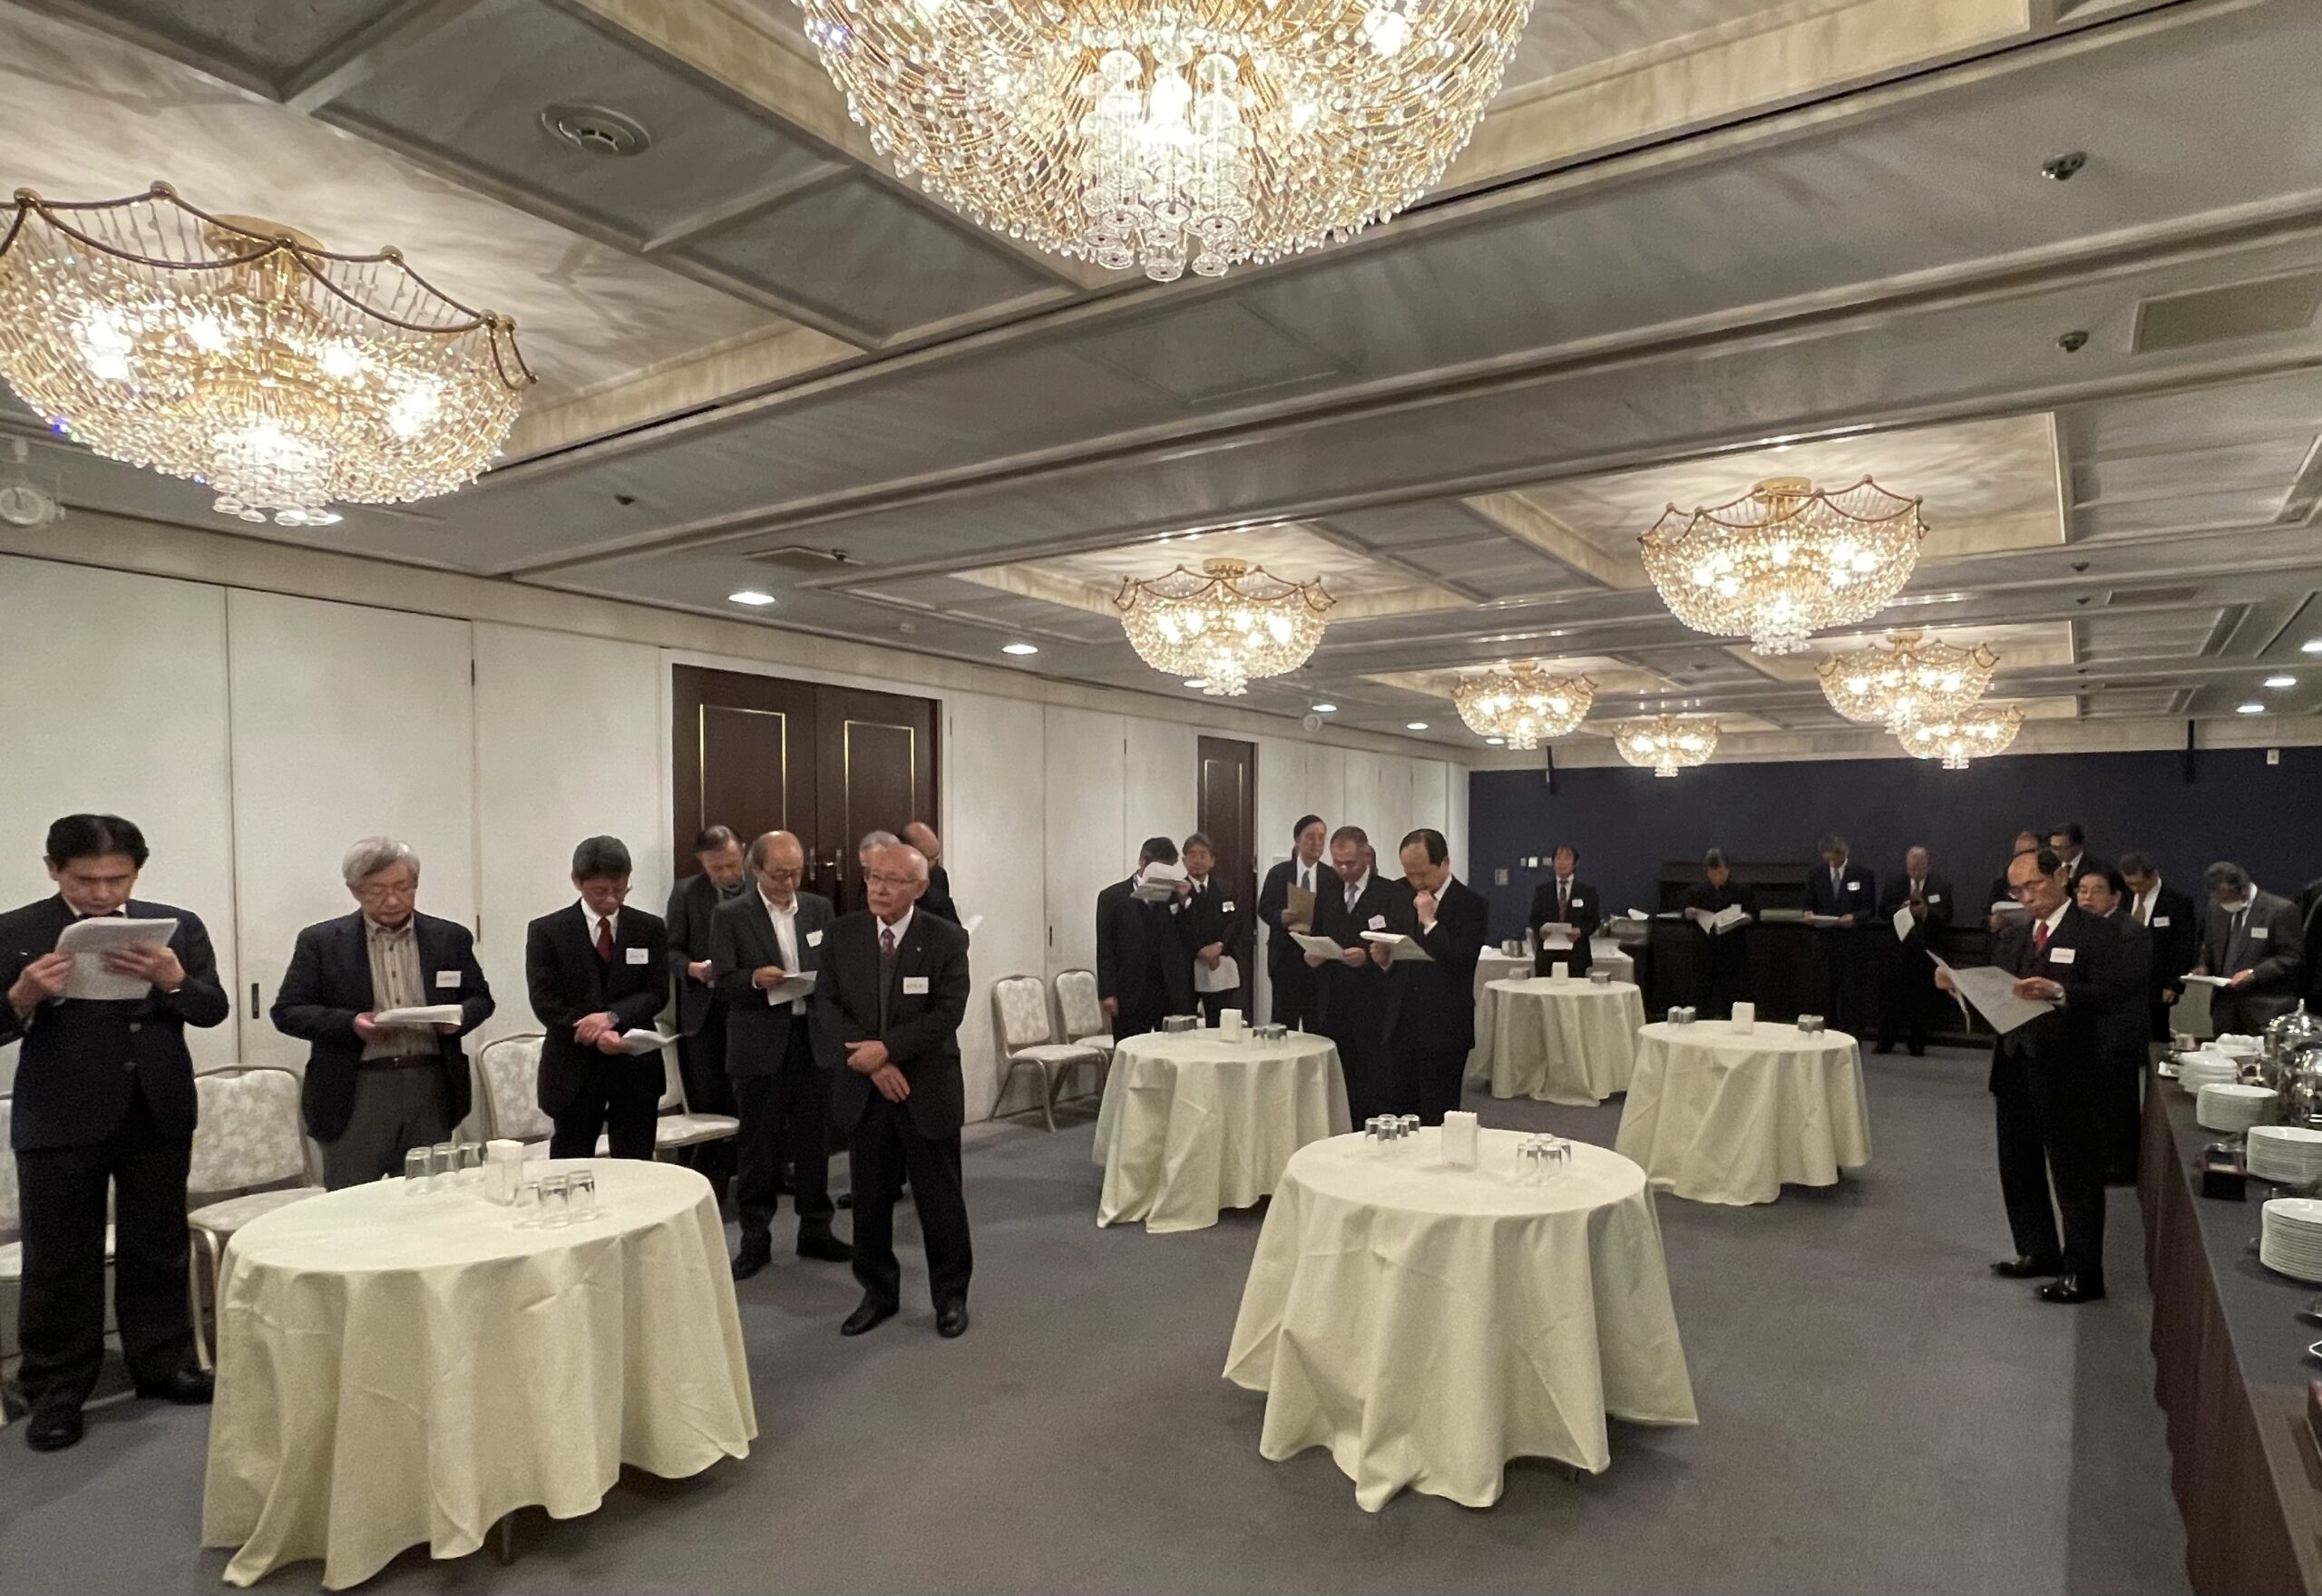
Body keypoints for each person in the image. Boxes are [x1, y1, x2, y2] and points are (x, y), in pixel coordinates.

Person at [2, 814, 227, 1451]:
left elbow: (212, 1009)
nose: (102, 893)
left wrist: (173, 980)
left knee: (158, 1243)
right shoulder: (15, 930)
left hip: (154, 1105)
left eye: (117, 879)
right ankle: (56, 1388)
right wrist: (21, 996)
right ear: (53, 870)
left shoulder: (174, 925)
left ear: (136, 872)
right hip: (59, 1115)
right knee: (60, 1258)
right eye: (85, 880)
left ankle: (163, 1362)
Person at [1937, 846, 2132, 1305]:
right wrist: (1958, 986)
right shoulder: (2018, 936)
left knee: (2073, 1172)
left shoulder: (2097, 932)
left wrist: (2060, 992)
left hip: (2070, 1069)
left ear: (2061, 876)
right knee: (2018, 1165)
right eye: (2017, 890)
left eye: (2033, 886)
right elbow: (1997, 990)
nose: (2025, 898)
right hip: (2015, 1063)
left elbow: (2115, 993)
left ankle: (2084, 1272)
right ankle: (2037, 1250)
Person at [814, 842, 973, 1338]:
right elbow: (827, 1004)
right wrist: (873, 1063)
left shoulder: (947, 938)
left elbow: (947, 1012)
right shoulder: (842, 934)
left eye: (893, 880)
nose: (879, 889)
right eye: (873, 877)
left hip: (926, 1086)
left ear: (919, 888)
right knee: (869, 1199)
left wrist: (886, 1050)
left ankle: (950, 1296)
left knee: (939, 1201)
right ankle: (877, 1292)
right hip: (866, 1086)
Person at [271, 837, 494, 1189]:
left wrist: (459, 1019)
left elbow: (480, 999)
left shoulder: (449, 937)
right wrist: (350, 1024)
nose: (392, 900)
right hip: (357, 1088)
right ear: (355, 890)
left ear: (416, 884)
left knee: (430, 1198)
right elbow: (288, 1011)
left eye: (403, 887)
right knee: (354, 1203)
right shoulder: (322, 942)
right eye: (377, 890)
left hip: (430, 1084)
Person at [711, 831, 850, 1278]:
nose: (789, 883)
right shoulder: (730, 915)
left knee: (815, 1140)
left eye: (796, 873)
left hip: (812, 1038)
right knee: (758, 1145)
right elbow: (723, 981)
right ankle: (755, 1239)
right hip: (759, 1041)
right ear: (755, 870)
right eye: (778, 875)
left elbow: (833, 967)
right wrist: (755, 979)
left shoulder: (818, 908)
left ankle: (816, 1229)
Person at [525, 836, 669, 1160]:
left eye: (620, 889)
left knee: (636, 1165)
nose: (611, 899)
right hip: (574, 1069)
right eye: (600, 891)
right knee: (571, 1164)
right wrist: (594, 1032)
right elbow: (545, 1000)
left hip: (634, 1068)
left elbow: (657, 992)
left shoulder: (648, 928)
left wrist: (612, 1018)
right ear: (578, 882)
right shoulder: (548, 931)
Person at [1374, 829, 1488, 1123]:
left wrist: (1429, 922)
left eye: (1423, 873)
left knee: (1438, 1113)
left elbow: (1461, 959)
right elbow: (1397, 949)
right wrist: (1384, 959)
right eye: (1409, 873)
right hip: (1402, 1023)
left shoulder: (1471, 904)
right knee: (1401, 1111)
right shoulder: (1399, 893)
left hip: (1445, 1026)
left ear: (1444, 863)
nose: (1416, 882)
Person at [664, 824, 748, 1192]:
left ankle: (764, 1172)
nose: (727, 873)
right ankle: (713, 1181)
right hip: (706, 1009)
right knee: (711, 1096)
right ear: (702, 862)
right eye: (717, 868)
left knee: (755, 1095)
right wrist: (691, 968)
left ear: (742, 850)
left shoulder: (759, 887)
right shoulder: (686, 893)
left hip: (751, 1006)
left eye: (732, 864)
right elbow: (670, 949)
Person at [1308, 824, 1401, 1124]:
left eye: (1350, 863)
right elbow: (1317, 933)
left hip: (1373, 999)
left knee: (1372, 1076)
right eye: (1337, 863)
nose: (1344, 869)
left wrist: (1367, 957)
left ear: (1367, 856)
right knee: (1337, 1074)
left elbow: (1398, 945)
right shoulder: (1328, 889)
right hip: (1332, 997)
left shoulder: (1389, 893)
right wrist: (1313, 953)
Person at [2074, 864, 2151, 1183]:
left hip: (2118, 1028)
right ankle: (2095, 1158)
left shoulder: (2130, 932)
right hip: (2088, 1026)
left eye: (2096, 891)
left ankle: (2122, 1166)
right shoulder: (2080, 927)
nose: (2087, 897)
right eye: (2082, 890)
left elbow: (2123, 985)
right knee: (2091, 1098)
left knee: (2116, 1100)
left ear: (2116, 897)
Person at [2191, 861, 2306, 1036]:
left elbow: (2291, 956)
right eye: (2217, 898)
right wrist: (2204, 966)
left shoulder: (2280, 910)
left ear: (2244, 889)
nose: (2222, 903)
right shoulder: (2215, 908)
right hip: (2225, 1009)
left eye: (2226, 898)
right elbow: (2210, 945)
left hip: (2264, 1007)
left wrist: (2254, 973)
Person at [1095, 836, 1193, 1039]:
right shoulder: (1112, 897)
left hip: (1167, 989)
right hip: (1130, 989)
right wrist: (1108, 992)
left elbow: (1188, 936)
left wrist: (1184, 901)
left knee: (1170, 1050)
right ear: (1142, 861)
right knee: (1129, 1046)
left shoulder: (1176, 895)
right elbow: (1105, 949)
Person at [1875, 845, 1954, 1056]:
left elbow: (1947, 915)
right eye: (1911, 867)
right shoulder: (1894, 883)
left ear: (1928, 864)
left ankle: (1917, 1043)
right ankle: (1885, 1041)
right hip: (1897, 951)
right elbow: (1882, 911)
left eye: (1919, 867)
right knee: (1891, 998)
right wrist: (1903, 909)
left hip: (1925, 951)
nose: (1915, 871)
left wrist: (1926, 912)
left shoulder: (1941, 885)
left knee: (1920, 999)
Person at [1257, 814, 1329, 1029]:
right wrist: (1280, 916)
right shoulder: (1279, 873)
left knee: (1316, 1024)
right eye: (1311, 836)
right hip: (1285, 956)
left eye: (1321, 837)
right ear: (1298, 840)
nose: (1317, 842)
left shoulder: (1330, 877)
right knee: (1283, 1022)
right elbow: (1264, 908)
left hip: (1317, 958)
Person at [2120, 852, 2198, 1043]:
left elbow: (2184, 946)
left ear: (2154, 875)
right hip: (2124, 981)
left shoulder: (2177, 901)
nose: (2135, 889)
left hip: (2158, 982)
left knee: (2155, 1033)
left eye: (2139, 884)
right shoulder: (2123, 897)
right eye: (2130, 884)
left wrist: (2174, 984)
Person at [1803, 833, 1876, 1031]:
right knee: (1825, 993)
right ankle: (1827, 1033)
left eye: (1836, 858)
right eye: (1828, 859)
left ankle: (1853, 1034)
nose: (1832, 863)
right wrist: (1809, 914)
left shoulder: (1862, 874)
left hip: (1852, 944)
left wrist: (1855, 918)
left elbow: (1870, 910)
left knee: (1851, 995)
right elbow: (1808, 904)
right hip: (1825, 944)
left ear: (1844, 853)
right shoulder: (1816, 874)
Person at [1180, 831, 1248, 1024]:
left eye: (1203, 855)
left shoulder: (1226, 889)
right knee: (1186, 1022)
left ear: (1212, 861)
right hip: (1187, 965)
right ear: (1184, 861)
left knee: (1219, 1022)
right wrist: (1200, 950)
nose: (1197, 860)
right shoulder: (1177, 891)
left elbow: (1235, 922)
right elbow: (1178, 927)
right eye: (1192, 855)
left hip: (1220, 961)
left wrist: (1219, 946)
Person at [1682, 849, 1757, 1016]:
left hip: (1732, 952)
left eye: (1721, 872)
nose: (1717, 877)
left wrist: (1745, 917)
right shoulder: (1696, 892)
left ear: (1728, 870)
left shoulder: (1741, 891)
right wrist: (1689, 914)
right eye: (1713, 873)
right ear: (1707, 872)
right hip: (1705, 951)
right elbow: (1685, 916)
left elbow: (1754, 915)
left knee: (1732, 999)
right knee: (1701, 998)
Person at [1526, 844, 1598, 978]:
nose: (1562, 862)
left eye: (1567, 858)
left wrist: (1580, 930)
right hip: (1547, 954)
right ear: (1553, 863)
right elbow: (1534, 919)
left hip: (1576, 954)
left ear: (1575, 863)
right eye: (1558, 858)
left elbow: (1594, 921)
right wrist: (1540, 930)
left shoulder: (1587, 892)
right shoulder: (1542, 891)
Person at [901, 822, 961, 927]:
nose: (932, 864)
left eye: (936, 858)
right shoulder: (884, 877)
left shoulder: (938, 875)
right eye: (929, 859)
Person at [1986, 830, 2044, 932]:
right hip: (2010, 934)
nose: (2023, 858)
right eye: (2019, 854)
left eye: (2029, 852)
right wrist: (1992, 921)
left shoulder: (2050, 875)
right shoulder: (2004, 878)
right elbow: (1987, 912)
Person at [851, 830, 902, 913]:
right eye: (867, 870)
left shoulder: (913, 889)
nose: (872, 876)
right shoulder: (865, 896)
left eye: (877, 869)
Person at [2047, 822, 2102, 888]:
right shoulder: (2048, 865)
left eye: (2062, 848)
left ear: (2078, 846)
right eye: (2054, 848)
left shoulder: (2096, 869)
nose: (2057, 853)